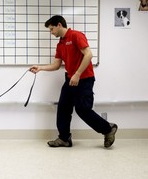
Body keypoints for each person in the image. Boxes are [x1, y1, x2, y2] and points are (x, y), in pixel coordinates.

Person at [29, 15, 118, 148]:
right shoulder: (60, 44)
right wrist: (40, 68)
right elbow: (56, 65)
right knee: (63, 108)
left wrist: (77, 74)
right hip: (70, 79)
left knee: (83, 110)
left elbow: (88, 54)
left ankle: (108, 129)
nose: (51, 32)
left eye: (52, 29)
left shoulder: (76, 35)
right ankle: (64, 138)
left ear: (59, 25)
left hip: (84, 79)